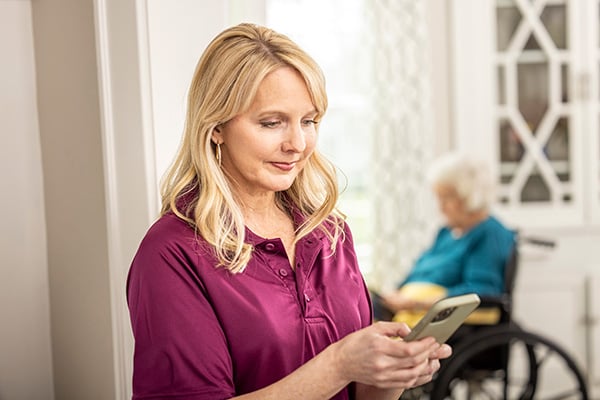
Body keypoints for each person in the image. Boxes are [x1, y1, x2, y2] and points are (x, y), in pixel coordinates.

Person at [126, 23, 451, 400]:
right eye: (272, 122)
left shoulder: (329, 232)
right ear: (216, 127)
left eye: (309, 121)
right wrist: (338, 364)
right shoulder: (173, 253)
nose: (298, 144)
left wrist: (392, 372)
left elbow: (361, 396)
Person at [373, 152, 516, 325]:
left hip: (443, 323)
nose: (440, 207)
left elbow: (483, 291)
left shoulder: (489, 233)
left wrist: (416, 304)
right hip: (407, 310)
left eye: (446, 198)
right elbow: (420, 271)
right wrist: (397, 294)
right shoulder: (446, 232)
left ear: (468, 196)